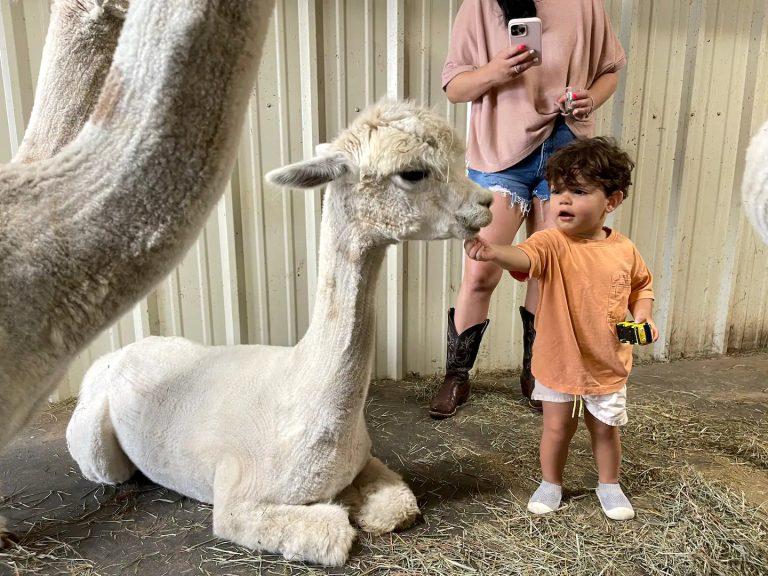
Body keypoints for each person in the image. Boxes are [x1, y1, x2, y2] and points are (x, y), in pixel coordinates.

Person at [430, 0, 626, 418]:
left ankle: (536, 373)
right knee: (481, 271)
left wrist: (590, 98)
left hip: (565, 149)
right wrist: (494, 72)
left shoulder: (584, 3)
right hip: (501, 153)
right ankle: (457, 375)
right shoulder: (482, 6)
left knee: (547, 269)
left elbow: (610, 69)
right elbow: (454, 87)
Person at [464, 137, 656, 520]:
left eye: (578, 191)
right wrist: (493, 251)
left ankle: (609, 485)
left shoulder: (624, 249)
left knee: (604, 430)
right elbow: (524, 257)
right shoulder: (550, 242)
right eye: (557, 192)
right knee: (556, 430)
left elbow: (641, 286)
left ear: (612, 201)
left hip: (607, 364)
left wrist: (643, 315)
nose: (563, 200)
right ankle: (551, 482)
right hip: (558, 361)